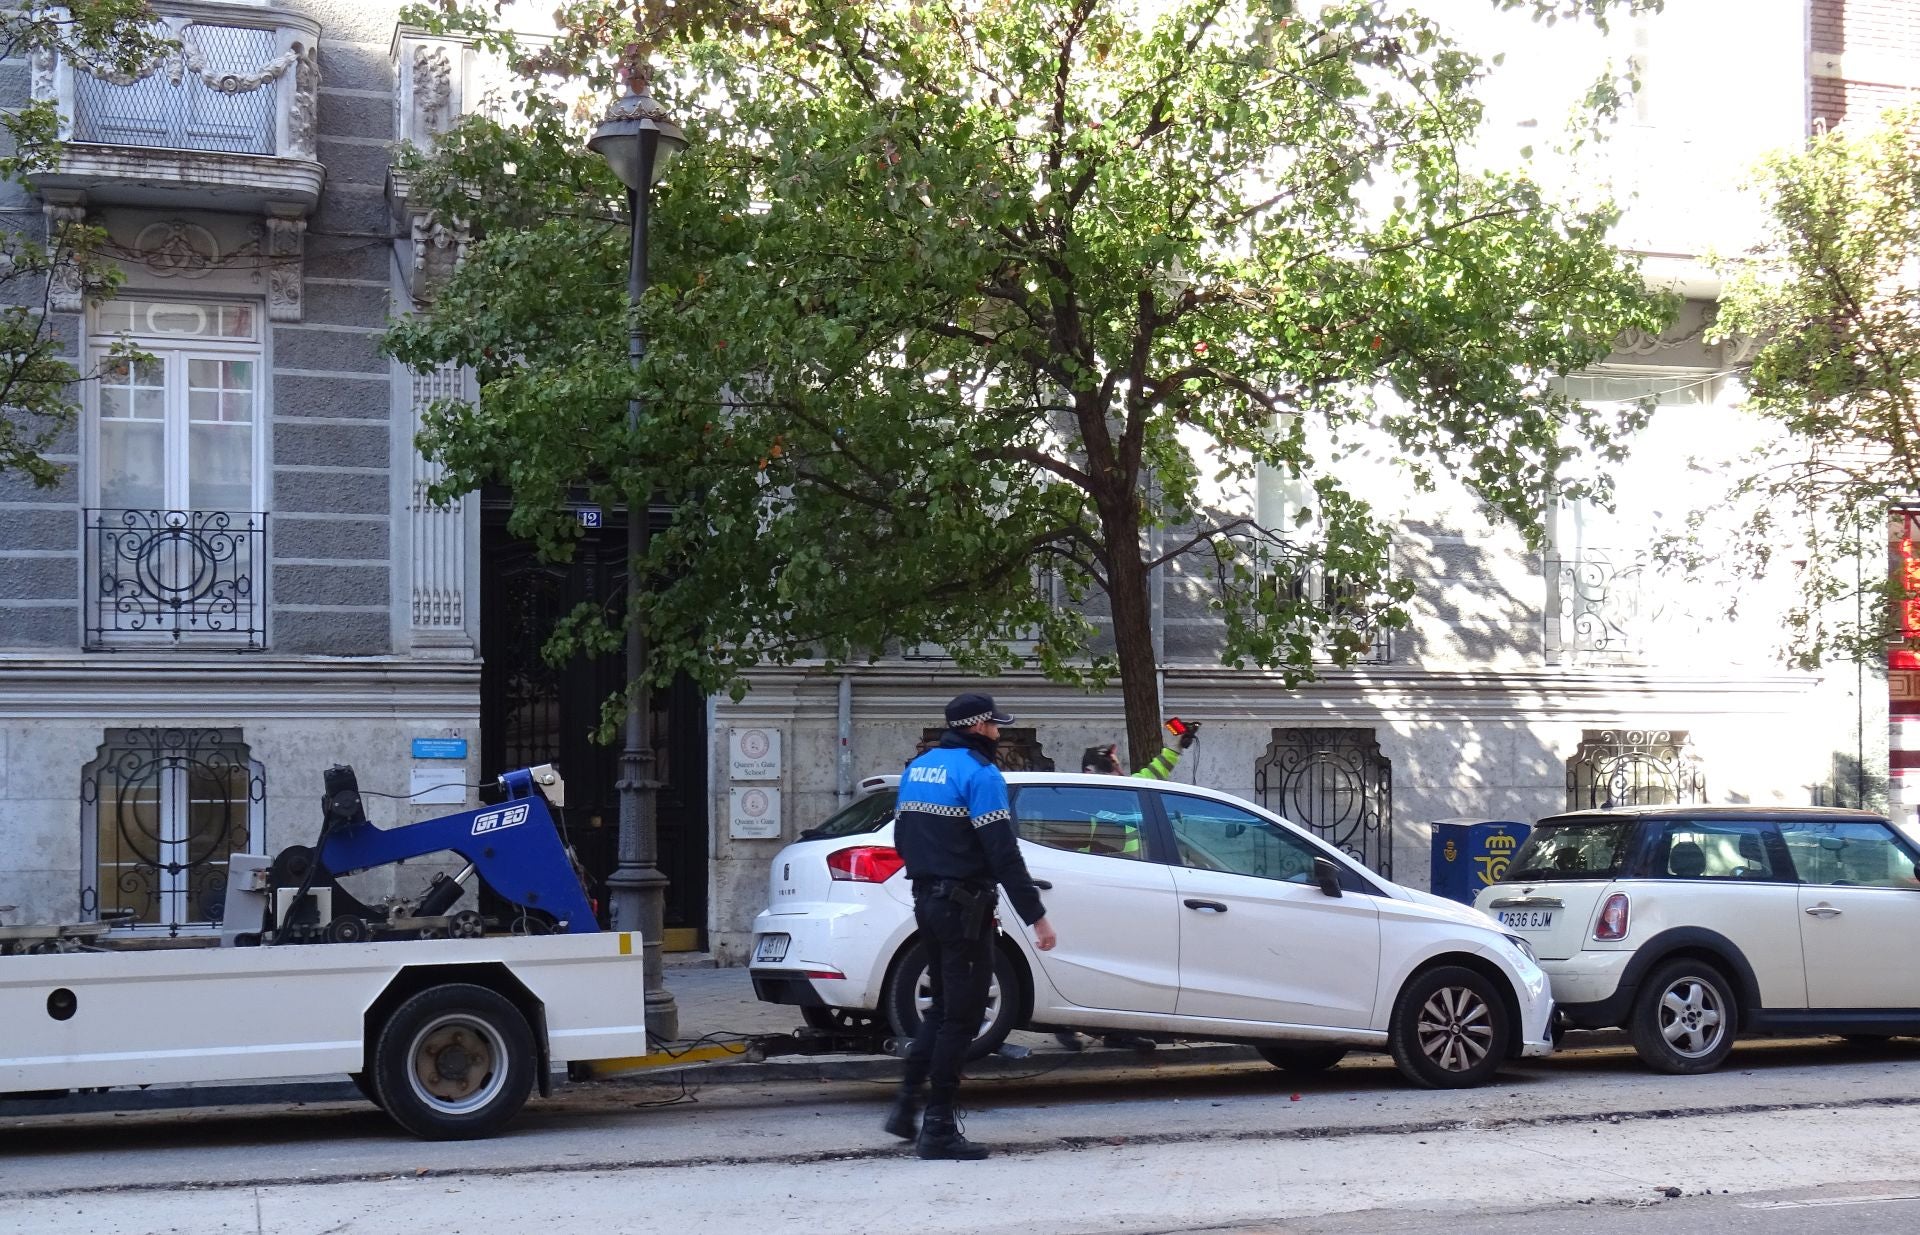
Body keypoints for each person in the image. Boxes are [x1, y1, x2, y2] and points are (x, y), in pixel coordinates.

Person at [886, 692, 1057, 1161]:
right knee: (961, 1020)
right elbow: (1002, 851)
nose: (1000, 734)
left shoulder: (917, 769)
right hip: (964, 908)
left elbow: (902, 838)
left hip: (926, 901)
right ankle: (938, 1128)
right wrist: (1035, 914)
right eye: (996, 726)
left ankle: (905, 1107)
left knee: (941, 1012)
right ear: (979, 727)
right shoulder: (980, 775)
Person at [1056, 721, 1204, 1054]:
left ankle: (1116, 1030)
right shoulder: (1084, 800)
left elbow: (1157, 770)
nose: (1122, 769)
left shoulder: (1125, 790)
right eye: (1115, 764)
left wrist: (1178, 745)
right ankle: (1065, 1023)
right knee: (1086, 962)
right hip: (1090, 895)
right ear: (1100, 771)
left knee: (1117, 966)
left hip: (1122, 895)